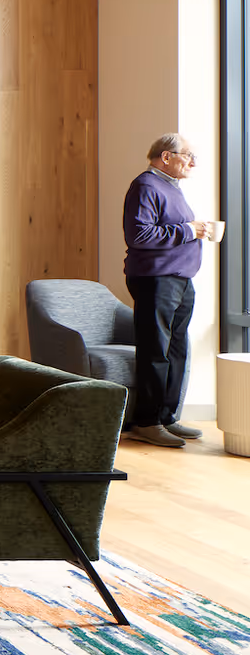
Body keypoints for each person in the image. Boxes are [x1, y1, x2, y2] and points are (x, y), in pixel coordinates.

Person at [122, 133, 222, 448]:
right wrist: (188, 230)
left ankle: (167, 418)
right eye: (188, 155)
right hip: (156, 279)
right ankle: (147, 422)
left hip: (178, 280)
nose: (193, 162)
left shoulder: (171, 188)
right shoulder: (146, 186)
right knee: (156, 350)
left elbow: (170, 231)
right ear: (166, 157)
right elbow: (139, 235)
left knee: (176, 350)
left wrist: (194, 231)